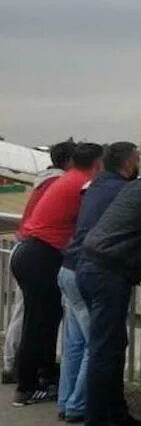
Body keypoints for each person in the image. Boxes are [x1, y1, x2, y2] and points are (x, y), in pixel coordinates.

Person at [78, 146, 141, 426]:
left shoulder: (133, 188)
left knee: (112, 345)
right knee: (104, 350)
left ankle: (117, 416)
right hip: (109, 273)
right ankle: (98, 420)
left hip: (88, 266)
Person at [10, 142, 103, 407]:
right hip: (43, 255)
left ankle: (44, 378)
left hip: (29, 251)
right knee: (39, 323)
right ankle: (27, 386)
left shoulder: (67, 180)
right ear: (97, 164)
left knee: (43, 319)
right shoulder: (84, 185)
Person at [57, 141, 140, 423]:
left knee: (77, 343)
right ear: (129, 164)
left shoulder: (93, 186)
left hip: (70, 268)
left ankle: (68, 402)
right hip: (96, 268)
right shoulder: (124, 192)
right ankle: (85, 408)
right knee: (102, 346)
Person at [3, 140, 74, 387]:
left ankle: (15, 363)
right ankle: (24, 370)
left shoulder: (43, 182)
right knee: (35, 316)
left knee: (26, 312)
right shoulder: (61, 183)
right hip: (40, 252)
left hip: (24, 247)